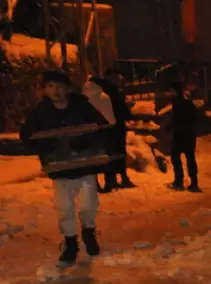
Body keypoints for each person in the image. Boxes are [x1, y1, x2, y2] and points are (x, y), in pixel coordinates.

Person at [19, 70, 110, 268]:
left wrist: (84, 141)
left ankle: (88, 230)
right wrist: (47, 146)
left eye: (60, 86)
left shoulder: (81, 106)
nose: (56, 91)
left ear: (68, 88)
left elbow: (101, 126)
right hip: (59, 168)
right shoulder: (39, 113)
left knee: (88, 205)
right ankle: (70, 242)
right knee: (64, 208)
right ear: (44, 90)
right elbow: (27, 137)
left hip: (85, 164)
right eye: (51, 86)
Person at [91, 69, 134, 191]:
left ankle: (111, 180)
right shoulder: (112, 93)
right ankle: (114, 179)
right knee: (115, 153)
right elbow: (122, 111)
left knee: (108, 153)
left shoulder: (101, 93)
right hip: (114, 127)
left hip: (105, 128)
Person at [167, 80, 203, 192]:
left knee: (176, 157)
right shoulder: (187, 101)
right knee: (190, 157)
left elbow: (177, 117)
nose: (170, 93)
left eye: (171, 91)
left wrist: (172, 127)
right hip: (189, 134)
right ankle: (194, 183)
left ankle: (179, 181)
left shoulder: (178, 102)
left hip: (181, 134)